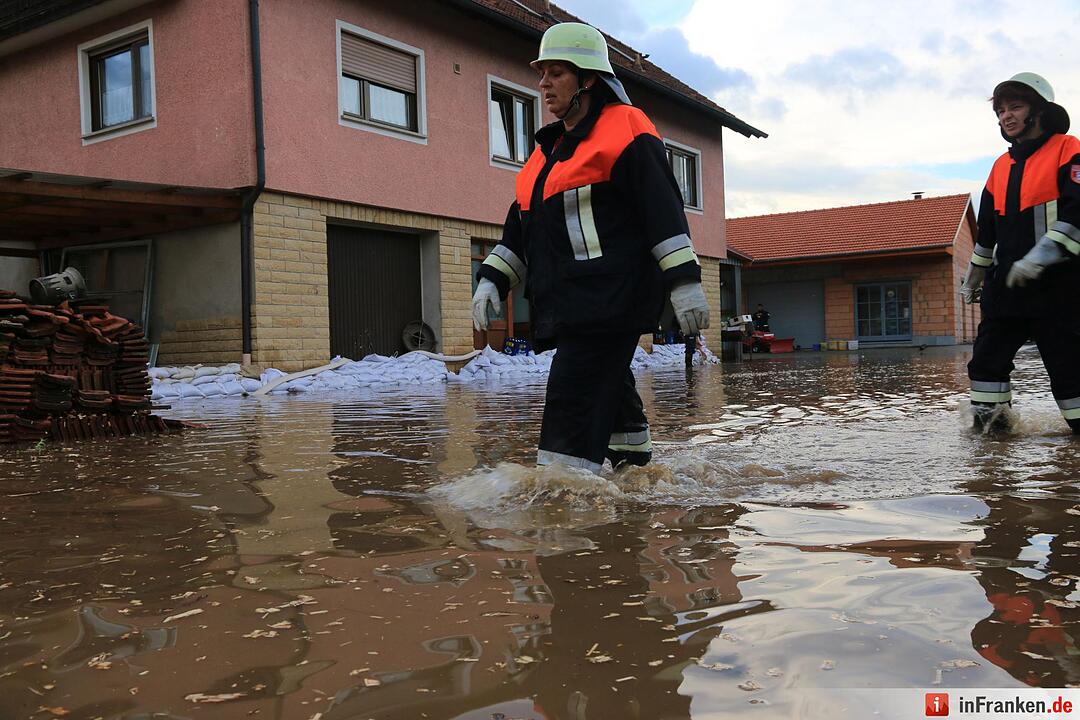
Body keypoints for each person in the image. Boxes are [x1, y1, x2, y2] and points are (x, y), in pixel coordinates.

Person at [471, 22, 709, 473]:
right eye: (541, 73)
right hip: (576, 303)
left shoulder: (627, 129)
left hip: (610, 301)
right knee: (609, 390)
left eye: (555, 73)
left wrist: (685, 283)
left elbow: (663, 210)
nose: (542, 84)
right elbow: (521, 230)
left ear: (588, 80)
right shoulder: (547, 153)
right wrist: (491, 279)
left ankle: (562, 506)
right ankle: (636, 479)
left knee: (573, 400)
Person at [960, 72, 1080, 433]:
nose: (1005, 116)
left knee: (1070, 370)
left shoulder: (1068, 149)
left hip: (1060, 289)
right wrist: (975, 274)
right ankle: (992, 446)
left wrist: (1044, 255)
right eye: (999, 111)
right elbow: (988, 235)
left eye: (1015, 107)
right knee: (985, 364)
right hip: (1006, 289)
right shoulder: (1000, 166)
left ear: (1039, 111)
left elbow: (1078, 211)